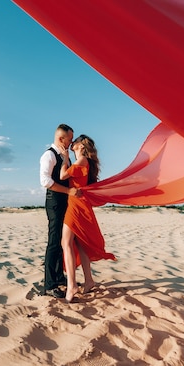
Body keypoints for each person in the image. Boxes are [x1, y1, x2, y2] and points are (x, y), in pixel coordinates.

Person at [59, 134, 116, 303]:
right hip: (78, 204)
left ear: (81, 146)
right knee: (79, 243)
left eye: (75, 141)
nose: (72, 143)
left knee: (66, 242)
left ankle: (72, 285)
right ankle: (89, 280)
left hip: (77, 205)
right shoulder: (84, 161)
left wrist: (65, 159)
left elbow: (63, 176)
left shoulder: (82, 160)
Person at [39, 123, 81, 298]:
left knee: (64, 242)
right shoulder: (49, 155)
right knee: (54, 242)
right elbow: (45, 181)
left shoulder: (64, 155)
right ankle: (49, 285)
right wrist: (68, 191)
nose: (71, 143)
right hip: (55, 202)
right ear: (61, 138)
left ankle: (59, 277)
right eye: (70, 139)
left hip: (66, 203)